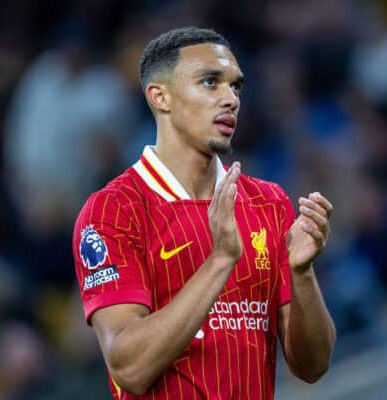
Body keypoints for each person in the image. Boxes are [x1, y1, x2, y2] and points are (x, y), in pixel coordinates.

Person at [72, 27, 336, 399]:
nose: (230, 98)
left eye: (236, 86)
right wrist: (220, 260)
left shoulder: (268, 203)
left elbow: (313, 366)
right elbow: (128, 366)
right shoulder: (113, 211)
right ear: (160, 97)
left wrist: (302, 273)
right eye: (211, 82)